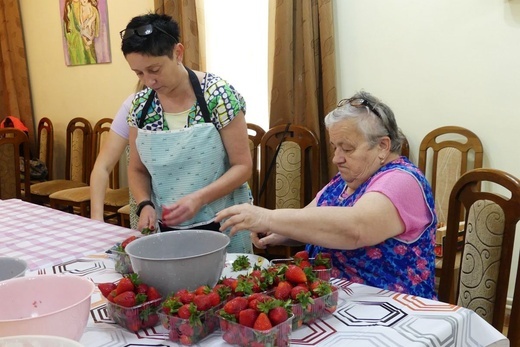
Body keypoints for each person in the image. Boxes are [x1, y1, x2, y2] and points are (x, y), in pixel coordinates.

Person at [216, 91, 438, 299]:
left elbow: (355, 229)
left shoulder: (402, 179)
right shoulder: (346, 180)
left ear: (382, 146)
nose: (336, 159)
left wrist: (266, 217)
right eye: (334, 148)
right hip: (333, 299)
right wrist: (279, 232)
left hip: (390, 308)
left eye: (347, 149)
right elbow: (312, 221)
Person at [120, 13, 253, 253]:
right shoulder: (140, 108)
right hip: (167, 230)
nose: (148, 81)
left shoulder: (218, 96)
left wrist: (199, 198)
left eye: (154, 69)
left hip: (222, 223)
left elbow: (242, 166)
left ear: (178, 52)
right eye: (138, 73)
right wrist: (145, 204)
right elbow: (137, 169)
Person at [90, 93, 137, 228]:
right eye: (140, 73)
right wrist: (97, 219)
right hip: (145, 211)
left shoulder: (199, 93)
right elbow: (102, 167)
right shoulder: (133, 105)